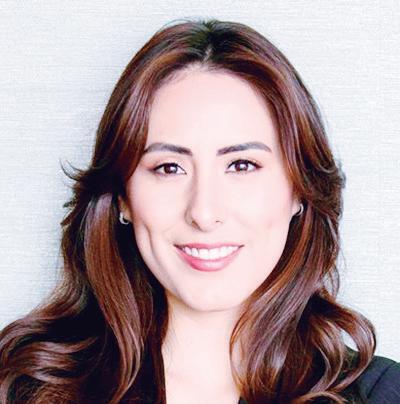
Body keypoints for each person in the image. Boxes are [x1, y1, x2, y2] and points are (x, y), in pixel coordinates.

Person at [0, 17, 399, 404]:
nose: (204, 213)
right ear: (122, 196)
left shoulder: (379, 394)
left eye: (241, 165)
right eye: (169, 168)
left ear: (299, 189)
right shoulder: (25, 387)